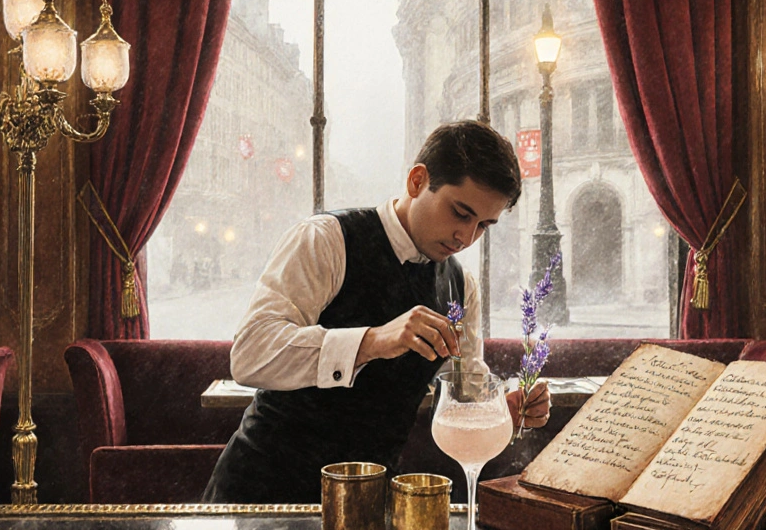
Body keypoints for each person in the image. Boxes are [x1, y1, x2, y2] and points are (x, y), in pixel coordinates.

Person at [203, 120, 551, 504]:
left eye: (484, 225)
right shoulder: (326, 239)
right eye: (460, 213)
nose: (466, 238)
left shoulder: (460, 286)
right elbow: (250, 354)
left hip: (368, 503)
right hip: (263, 493)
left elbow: (463, 387)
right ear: (417, 181)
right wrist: (371, 340)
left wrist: (499, 407)